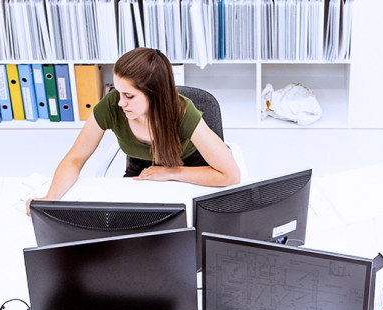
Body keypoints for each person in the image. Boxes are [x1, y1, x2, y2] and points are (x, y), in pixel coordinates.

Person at [27, 48, 240, 213]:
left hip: (190, 169)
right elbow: (75, 159)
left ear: (155, 94)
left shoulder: (183, 113)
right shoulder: (111, 106)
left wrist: (170, 173)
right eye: (117, 91)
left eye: (129, 96)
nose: (120, 103)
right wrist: (49, 199)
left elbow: (230, 175)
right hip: (141, 171)